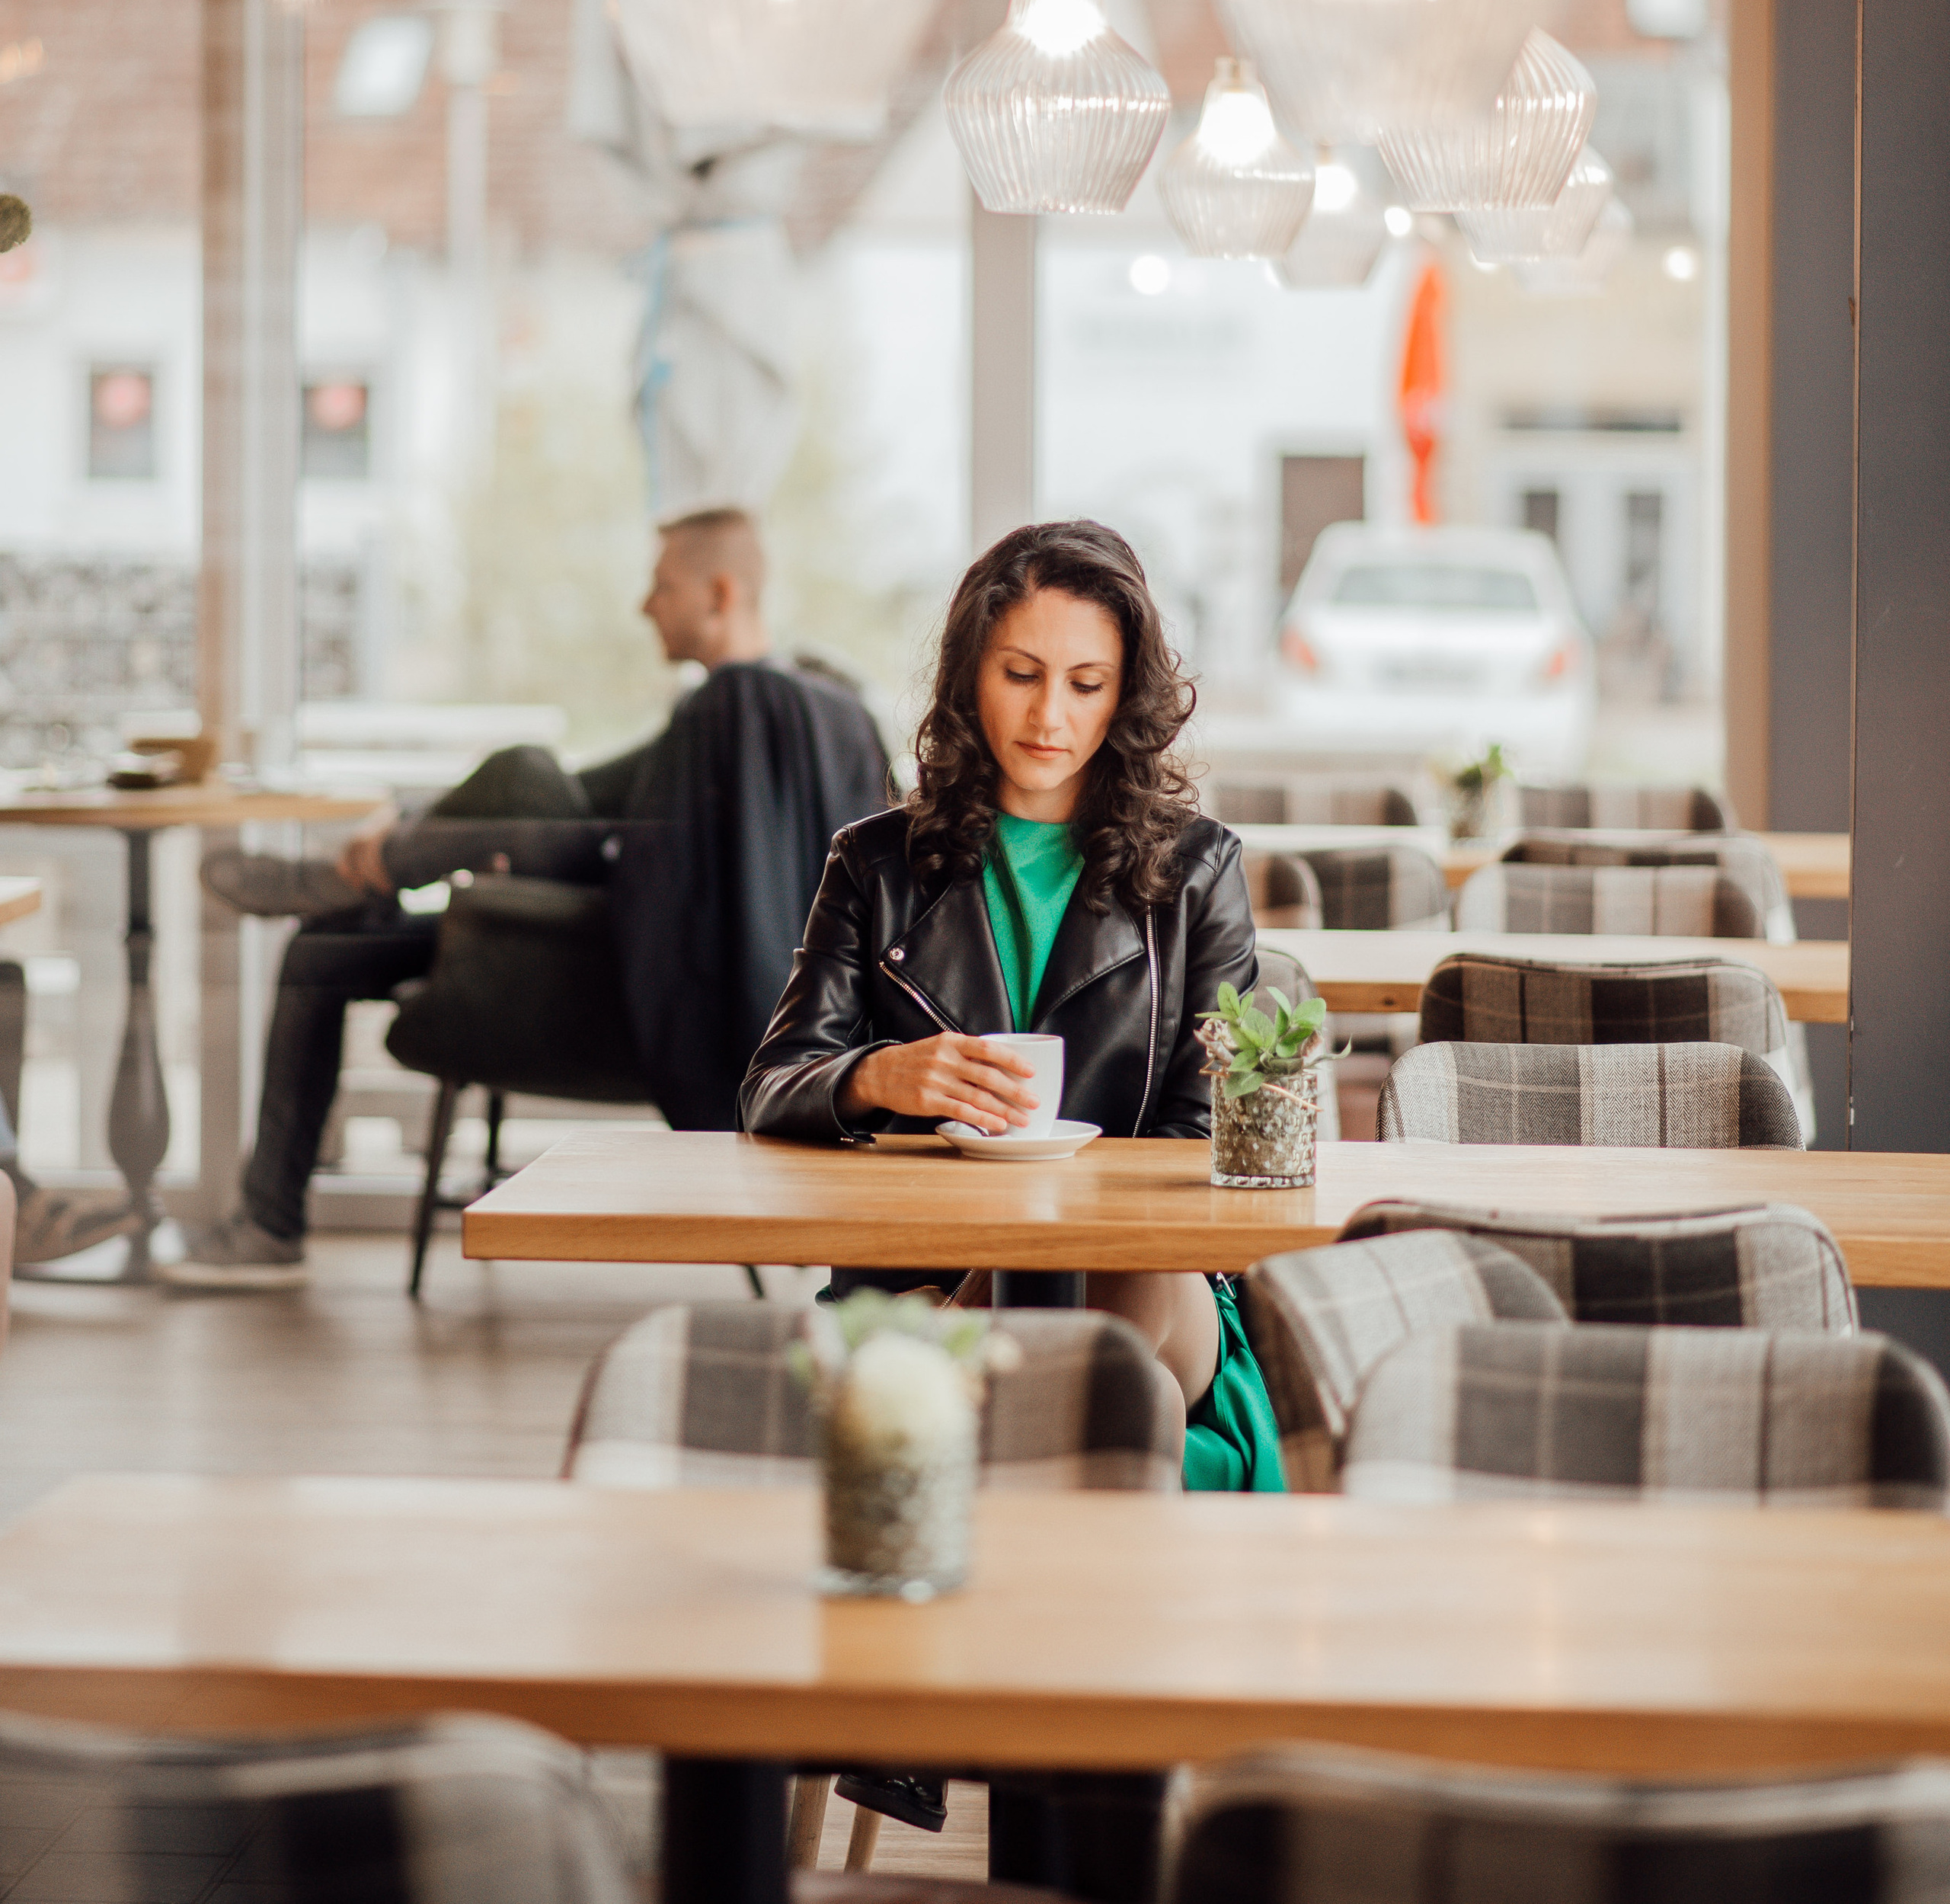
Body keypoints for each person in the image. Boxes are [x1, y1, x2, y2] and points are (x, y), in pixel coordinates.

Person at [161, 508, 888, 1288]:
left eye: (662, 586)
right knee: (325, 948)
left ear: (719, 593)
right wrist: (412, 828)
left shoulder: (730, 707)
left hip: (605, 976)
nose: (645, 605)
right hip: (570, 945)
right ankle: (354, 901)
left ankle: (345, 886)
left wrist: (409, 840)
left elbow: (631, 859)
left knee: (520, 772)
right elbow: (591, 796)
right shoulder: (792, 715)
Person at [741, 515, 1285, 1493]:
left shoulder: (1198, 870)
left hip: (1145, 1273)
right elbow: (772, 1086)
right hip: (925, 1270)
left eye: (1086, 684)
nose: (1048, 716)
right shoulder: (873, 865)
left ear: (1125, 697)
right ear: (969, 677)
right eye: (1020, 674)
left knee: (1122, 1275)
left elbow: (1204, 1134)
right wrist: (878, 1077)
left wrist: (1031, 1246)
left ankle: (936, 1392)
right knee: (1136, 1406)